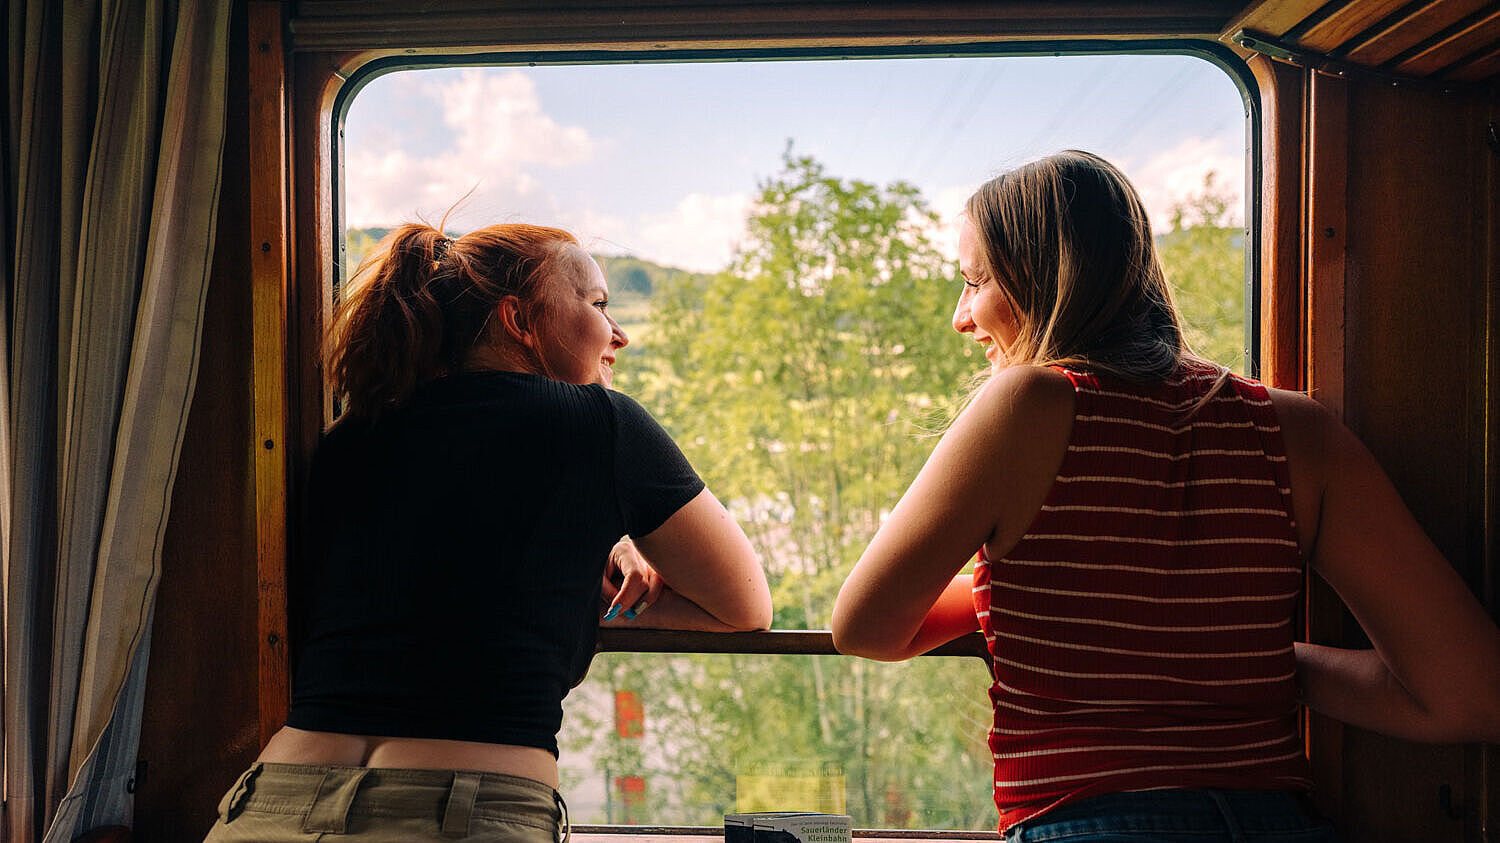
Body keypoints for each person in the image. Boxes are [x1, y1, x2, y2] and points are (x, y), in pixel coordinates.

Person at [830, 150, 1500, 841]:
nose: (960, 317)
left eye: (975, 282)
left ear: (1041, 281)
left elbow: (865, 625)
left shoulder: (1026, 405)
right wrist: (1247, 660)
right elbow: (1469, 696)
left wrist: (1001, 595)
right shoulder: (1295, 430)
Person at [204, 222, 772, 842]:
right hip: (463, 811)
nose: (619, 335)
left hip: (275, 799)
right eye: (599, 305)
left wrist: (592, 553)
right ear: (520, 320)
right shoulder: (603, 426)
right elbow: (745, 604)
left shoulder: (353, 438)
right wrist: (606, 575)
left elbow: (442, 580)